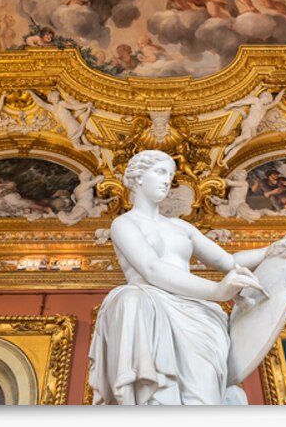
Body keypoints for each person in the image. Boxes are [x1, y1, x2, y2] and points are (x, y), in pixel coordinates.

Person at [89, 150, 271, 405]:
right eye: (161, 172)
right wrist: (217, 292)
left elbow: (228, 262)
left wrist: (274, 250)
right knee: (131, 298)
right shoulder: (124, 224)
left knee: (203, 396)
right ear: (139, 177)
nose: (168, 181)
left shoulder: (182, 227)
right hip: (150, 306)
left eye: (171, 175)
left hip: (196, 313)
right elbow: (151, 268)